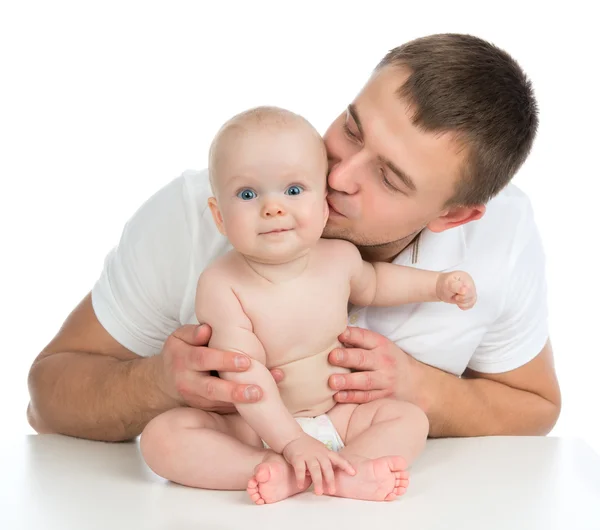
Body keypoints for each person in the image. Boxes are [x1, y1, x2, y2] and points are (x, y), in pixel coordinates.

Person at [26, 33, 561, 446]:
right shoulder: (200, 211)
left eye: (389, 178)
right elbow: (46, 399)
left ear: (454, 216)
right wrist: (160, 383)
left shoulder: (502, 237)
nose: (338, 176)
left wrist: (423, 390)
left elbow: (536, 407)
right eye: (352, 129)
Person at [139, 106, 477, 504]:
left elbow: (378, 284)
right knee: (161, 439)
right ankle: (270, 470)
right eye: (247, 194)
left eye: (294, 190)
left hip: (338, 416)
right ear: (219, 217)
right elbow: (245, 377)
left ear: (323, 205)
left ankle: (348, 470)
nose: (273, 208)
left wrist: (437, 285)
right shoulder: (221, 284)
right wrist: (291, 442)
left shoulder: (339, 258)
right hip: (254, 428)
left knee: (408, 418)